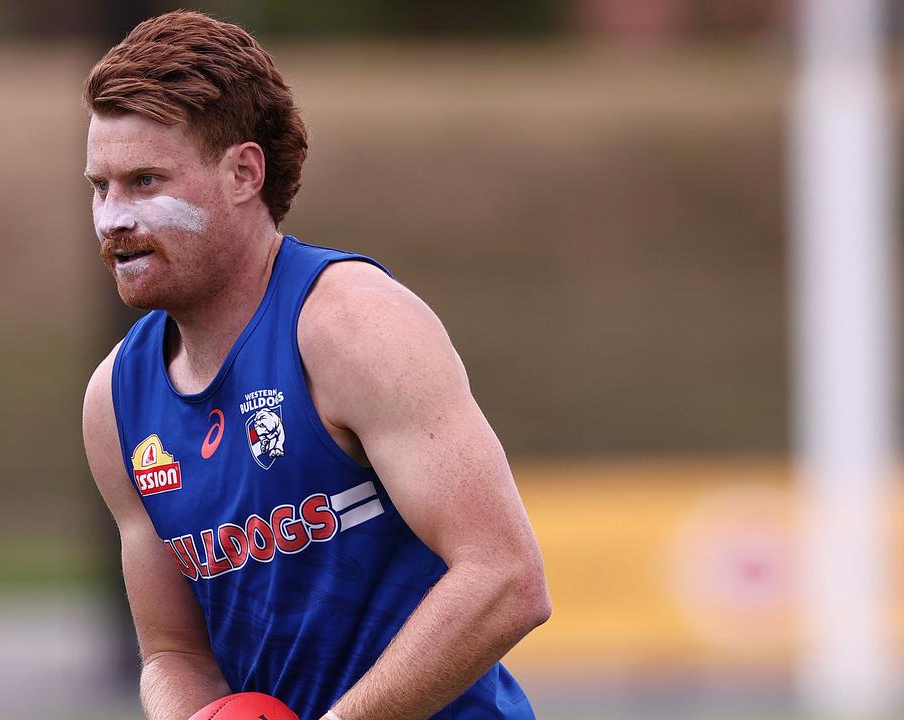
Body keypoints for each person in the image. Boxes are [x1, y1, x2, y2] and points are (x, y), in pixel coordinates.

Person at [79, 11, 551, 720]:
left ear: (243, 173)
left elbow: (506, 579)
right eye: (100, 187)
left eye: (145, 182)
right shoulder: (115, 399)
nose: (114, 217)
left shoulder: (352, 326)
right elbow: (173, 654)